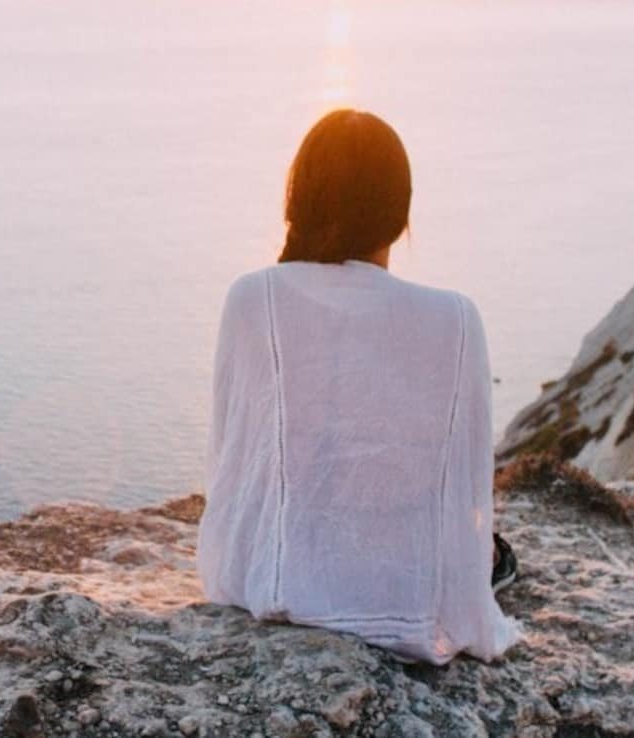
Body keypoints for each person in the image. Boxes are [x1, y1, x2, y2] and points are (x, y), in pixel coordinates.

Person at [196, 109, 523, 665]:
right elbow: (467, 481)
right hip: (406, 588)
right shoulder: (457, 318)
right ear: (398, 215)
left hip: (277, 581)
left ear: (298, 200)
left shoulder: (252, 299)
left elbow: (231, 464)